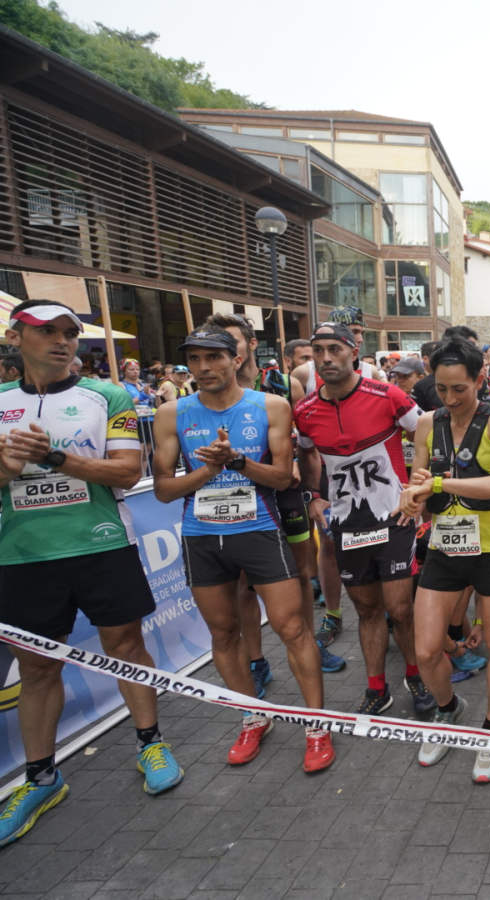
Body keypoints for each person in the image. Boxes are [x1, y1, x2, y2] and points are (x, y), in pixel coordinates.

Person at [0, 301, 184, 846]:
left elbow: (129, 470)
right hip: (23, 555)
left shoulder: (108, 396)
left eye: (69, 333)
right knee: (36, 669)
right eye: (47, 332)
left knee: (127, 646)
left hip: (102, 545)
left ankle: (150, 742)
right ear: (17, 336)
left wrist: (56, 460)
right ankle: (41, 778)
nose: (61, 341)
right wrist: (7, 466)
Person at [151, 328, 333, 773]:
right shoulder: (172, 413)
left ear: (235, 358)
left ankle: (317, 724)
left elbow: (283, 478)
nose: (204, 368)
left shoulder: (269, 406)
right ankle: (253, 715)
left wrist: (237, 463)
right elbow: (163, 490)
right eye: (194, 360)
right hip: (201, 534)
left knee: (292, 628)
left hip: (258, 529)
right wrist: (208, 470)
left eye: (213, 357)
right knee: (223, 634)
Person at [399, 339, 490, 783]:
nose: (449, 399)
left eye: (459, 390)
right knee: (427, 648)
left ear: (479, 381)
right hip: (445, 547)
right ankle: (449, 710)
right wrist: (413, 498)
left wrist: (440, 486)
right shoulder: (428, 423)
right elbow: (420, 480)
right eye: (441, 389)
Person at [293, 323, 428, 715]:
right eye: (318, 351)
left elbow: (428, 433)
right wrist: (314, 497)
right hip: (349, 522)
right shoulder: (305, 411)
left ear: (354, 352)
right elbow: (306, 454)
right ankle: (376, 687)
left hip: (394, 518)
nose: (325, 358)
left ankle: (416, 677)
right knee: (367, 610)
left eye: (334, 349)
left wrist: (418, 488)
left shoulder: (388, 395)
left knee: (400, 608)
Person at [205, 313, 344, 687]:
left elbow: (308, 446)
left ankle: (311, 646)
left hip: (284, 496)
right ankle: (256, 660)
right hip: (233, 501)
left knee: (302, 574)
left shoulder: (284, 385)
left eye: (229, 343)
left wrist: (311, 489)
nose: (220, 353)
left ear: (249, 344)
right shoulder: (202, 393)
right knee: (243, 586)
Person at [289, 306, 384, 397]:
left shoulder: (370, 372)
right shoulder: (304, 373)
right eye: (354, 332)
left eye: (361, 333)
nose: (360, 339)